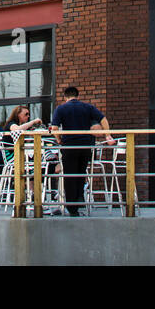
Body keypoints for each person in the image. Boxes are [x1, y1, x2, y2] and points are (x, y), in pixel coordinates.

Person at [49, 86, 114, 217]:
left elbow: (54, 127)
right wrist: (108, 135)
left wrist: (59, 139)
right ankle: (80, 200)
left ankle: (72, 207)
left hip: (69, 146)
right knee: (80, 172)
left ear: (65, 97)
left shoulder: (61, 108)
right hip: (86, 146)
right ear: (77, 96)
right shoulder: (87, 107)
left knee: (70, 175)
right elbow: (103, 119)